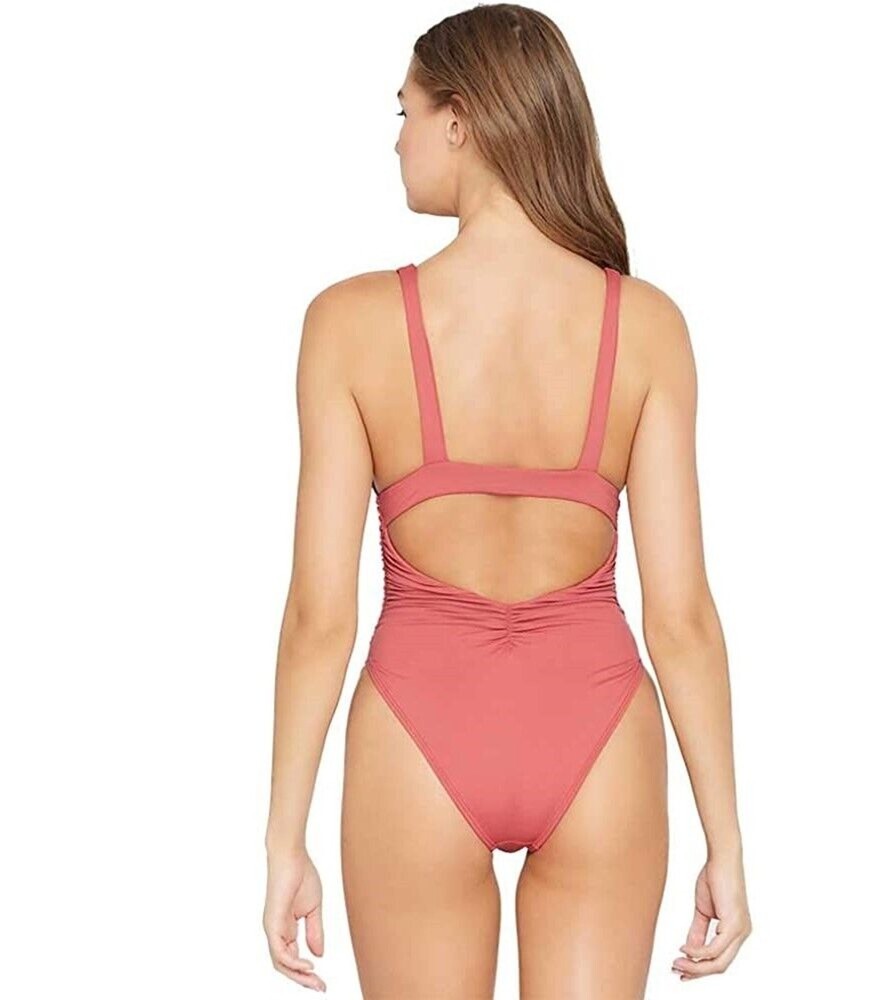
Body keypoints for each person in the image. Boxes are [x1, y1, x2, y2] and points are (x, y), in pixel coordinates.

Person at [263, 4, 750, 995]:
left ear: (460, 118)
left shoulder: (348, 324)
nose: (396, 139)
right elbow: (682, 618)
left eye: (404, 111)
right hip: (601, 734)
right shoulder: (647, 326)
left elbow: (320, 615)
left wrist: (283, 836)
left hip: (416, 732)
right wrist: (726, 841)